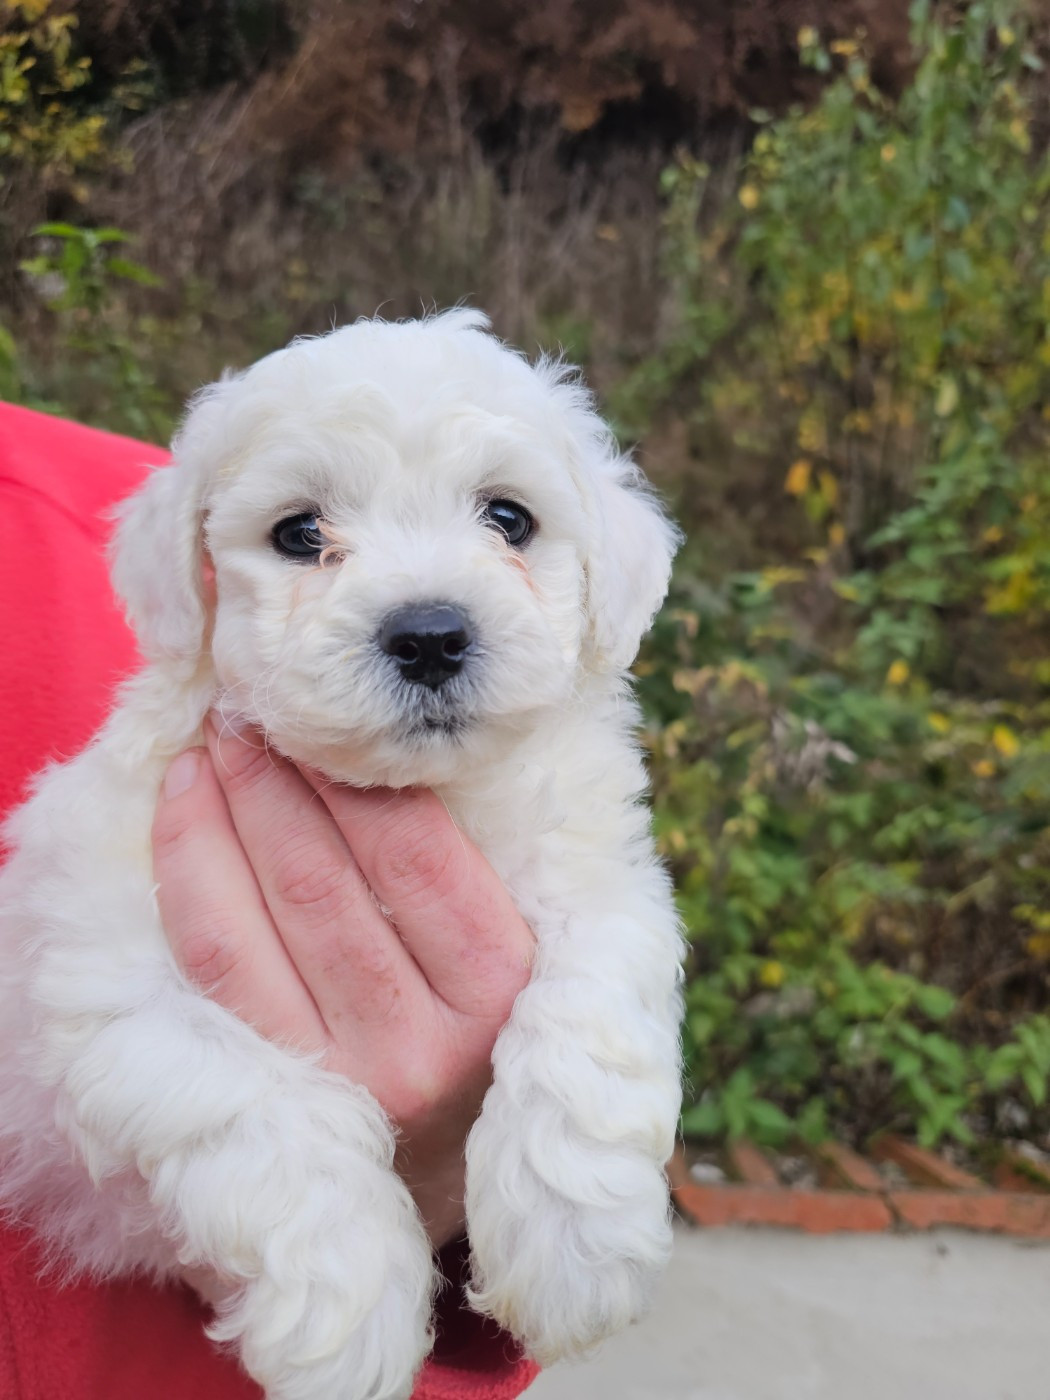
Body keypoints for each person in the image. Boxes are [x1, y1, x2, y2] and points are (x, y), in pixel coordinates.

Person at [0, 400, 540, 1400]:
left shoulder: (145, 499)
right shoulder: (182, 535)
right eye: (307, 540)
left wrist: (453, 1196)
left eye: (503, 522)